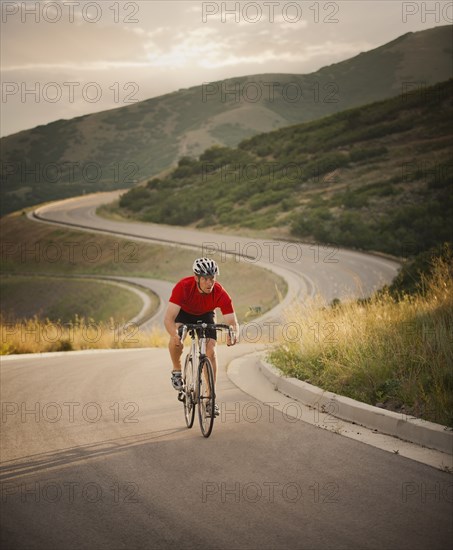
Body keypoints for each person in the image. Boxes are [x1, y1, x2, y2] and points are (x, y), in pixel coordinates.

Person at [164, 257, 239, 416]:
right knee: (176, 337)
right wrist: (175, 334)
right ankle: (177, 371)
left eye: (212, 278)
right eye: (205, 279)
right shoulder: (183, 287)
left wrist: (233, 333)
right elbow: (168, 319)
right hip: (184, 314)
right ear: (196, 278)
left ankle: (210, 400)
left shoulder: (219, 292)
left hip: (206, 314)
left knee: (211, 351)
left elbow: (232, 321)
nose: (209, 283)